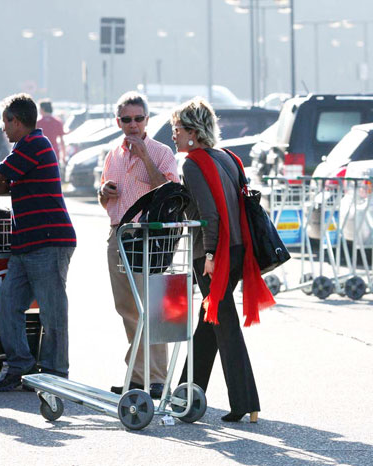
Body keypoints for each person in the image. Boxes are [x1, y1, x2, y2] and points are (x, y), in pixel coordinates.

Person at [171, 97, 275, 423]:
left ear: (192, 132)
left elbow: (209, 215)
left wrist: (211, 256)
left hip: (214, 253)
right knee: (209, 323)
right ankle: (186, 397)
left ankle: (246, 401)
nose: (173, 136)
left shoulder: (193, 163)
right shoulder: (227, 158)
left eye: (177, 130)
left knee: (225, 326)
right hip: (238, 248)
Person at [0, 93, 76, 392]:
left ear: (17, 121)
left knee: (52, 311)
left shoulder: (34, 145)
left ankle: (55, 373)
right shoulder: (24, 149)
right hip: (25, 244)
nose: (4, 128)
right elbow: (4, 184)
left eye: (7, 122)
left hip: (49, 241)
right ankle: (21, 367)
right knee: (7, 305)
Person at [99, 91, 179, 399]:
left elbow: (170, 189)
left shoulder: (160, 152)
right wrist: (103, 190)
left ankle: (156, 378)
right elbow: (104, 196)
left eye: (138, 119)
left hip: (150, 237)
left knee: (153, 309)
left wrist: (144, 154)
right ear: (118, 121)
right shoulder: (113, 154)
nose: (133, 125)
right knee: (128, 310)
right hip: (119, 234)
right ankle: (137, 374)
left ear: (147, 119)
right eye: (126, 119)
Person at [37, 99, 66, 168]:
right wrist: (64, 155)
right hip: (54, 153)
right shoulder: (57, 122)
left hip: (41, 155)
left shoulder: (38, 123)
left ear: (42, 109)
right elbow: (62, 141)